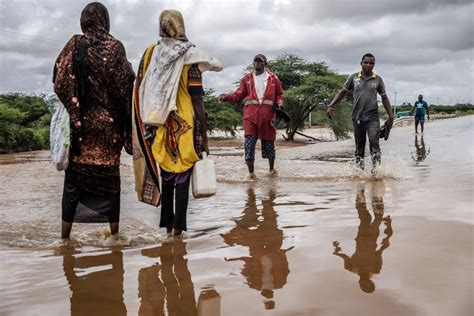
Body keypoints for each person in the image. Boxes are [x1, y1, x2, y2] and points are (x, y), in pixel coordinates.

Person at [133, 10, 222, 236]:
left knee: (167, 173)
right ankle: (179, 230)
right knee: (182, 174)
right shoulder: (190, 56)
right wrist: (205, 134)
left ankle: (168, 227)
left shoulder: (152, 54)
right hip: (185, 125)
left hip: (161, 121)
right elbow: (197, 98)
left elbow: (142, 87)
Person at [53, 2, 135, 238]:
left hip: (81, 127)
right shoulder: (115, 47)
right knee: (110, 182)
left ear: (84, 20)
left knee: (73, 183)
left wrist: (75, 106)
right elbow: (125, 87)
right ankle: (115, 236)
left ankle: (65, 238)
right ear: (105, 20)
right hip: (109, 129)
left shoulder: (74, 44)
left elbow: (59, 80)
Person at [327, 53, 394, 174]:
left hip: (373, 117)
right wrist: (331, 105)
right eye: (366, 62)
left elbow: (384, 98)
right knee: (359, 148)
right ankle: (360, 173)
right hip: (357, 117)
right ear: (361, 63)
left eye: (371, 63)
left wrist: (391, 116)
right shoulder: (354, 78)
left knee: (374, 144)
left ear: (374, 64)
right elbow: (342, 92)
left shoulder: (378, 79)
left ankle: (376, 173)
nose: (368, 65)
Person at [219, 54, 284, 179]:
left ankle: (271, 170)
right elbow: (238, 95)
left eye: (260, 61)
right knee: (249, 145)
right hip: (250, 116)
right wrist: (226, 97)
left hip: (267, 116)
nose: (257, 64)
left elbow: (279, 95)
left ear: (265, 63)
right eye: (255, 61)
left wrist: (280, 104)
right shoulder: (247, 79)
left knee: (269, 146)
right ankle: (251, 175)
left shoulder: (273, 79)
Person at [332, 182, 393, 293]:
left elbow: (344, 256)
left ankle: (360, 187)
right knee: (378, 215)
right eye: (369, 284)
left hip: (362, 236)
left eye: (364, 285)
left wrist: (337, 250)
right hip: (372, 236)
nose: (365, 283)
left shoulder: (351, 267)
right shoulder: (375, 269)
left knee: (364, 215)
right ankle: (376, 189)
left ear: (360, 284)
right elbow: (381, 250)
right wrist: (388, 228)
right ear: (372, 282)